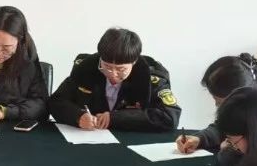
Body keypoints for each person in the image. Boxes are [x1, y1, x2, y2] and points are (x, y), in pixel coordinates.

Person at [48, 27, 180, 132]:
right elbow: (56, 101)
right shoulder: (86, 68)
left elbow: (170, 117)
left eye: (121, 69)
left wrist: (116, 118)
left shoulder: (150, 77)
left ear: (134, 62)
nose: (113, 74)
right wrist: (78, 116)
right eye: (107, 67)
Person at [177, 53, 257, 166]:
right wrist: (200, 138)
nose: (217, 105)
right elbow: (222, 127)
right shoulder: (247, 105)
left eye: (219, 102)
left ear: (238, 97)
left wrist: (228, 151)